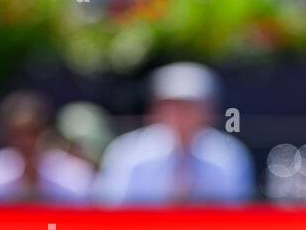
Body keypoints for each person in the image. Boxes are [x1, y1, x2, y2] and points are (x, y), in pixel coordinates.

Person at [95, 62, 255, 206]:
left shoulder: (229, 155)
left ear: (209, 110)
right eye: (172, 105)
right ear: (155, 108)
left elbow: (236, 215)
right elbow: (111, 211)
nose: (181, 114)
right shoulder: (127, 152)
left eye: (191, 106)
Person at [0, 92, 95, 205]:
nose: (25, 142)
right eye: (16, 134)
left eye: (32, 132)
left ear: (46, 131)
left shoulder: (76, 175)